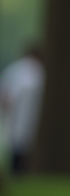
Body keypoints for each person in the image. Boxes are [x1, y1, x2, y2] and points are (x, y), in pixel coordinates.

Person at [0, 44, 44, 176]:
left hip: (17, 117)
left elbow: (6, 96)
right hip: (31, 119)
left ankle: (17, 173)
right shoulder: (41, 71)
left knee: (17, 147)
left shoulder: (16, 70)